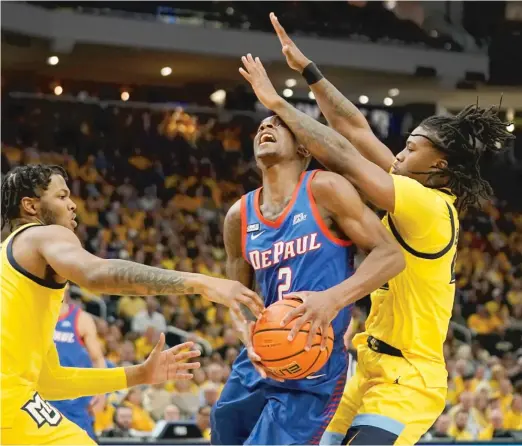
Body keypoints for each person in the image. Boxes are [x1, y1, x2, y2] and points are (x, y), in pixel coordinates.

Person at [234, 12, 514, 445]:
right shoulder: (409, 185)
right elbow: (355, 128)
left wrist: (278, 104)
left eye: (410, 147)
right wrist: (310, 72)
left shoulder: (430, 207)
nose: (398, 153)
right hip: (365, 364)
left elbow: (345, 154)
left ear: (438, 164)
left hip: (408, 378)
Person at [0, 164, 264, 445]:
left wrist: (138, 374)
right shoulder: (43, 234)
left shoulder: (12, 265)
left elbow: (49, 381)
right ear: (30, 206)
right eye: (62, 196)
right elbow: (96, 274)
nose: (73, 205)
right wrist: (202, 283)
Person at [210, 111, 404, 445]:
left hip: (313, 358)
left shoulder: (324, 188)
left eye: (278, 124)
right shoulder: (238, 215)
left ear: (304, 150)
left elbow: (390, 255)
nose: (266, 127)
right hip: (260, 356)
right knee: (223, 429)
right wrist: (247, 336)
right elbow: (241, 297)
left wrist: (333, 299)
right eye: (261, 126)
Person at [51, 288, 107, 441]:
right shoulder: (35, 316)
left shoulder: (81, 319)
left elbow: (98, 359)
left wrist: (101, 393)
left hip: (75, 402)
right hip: (42, 399)